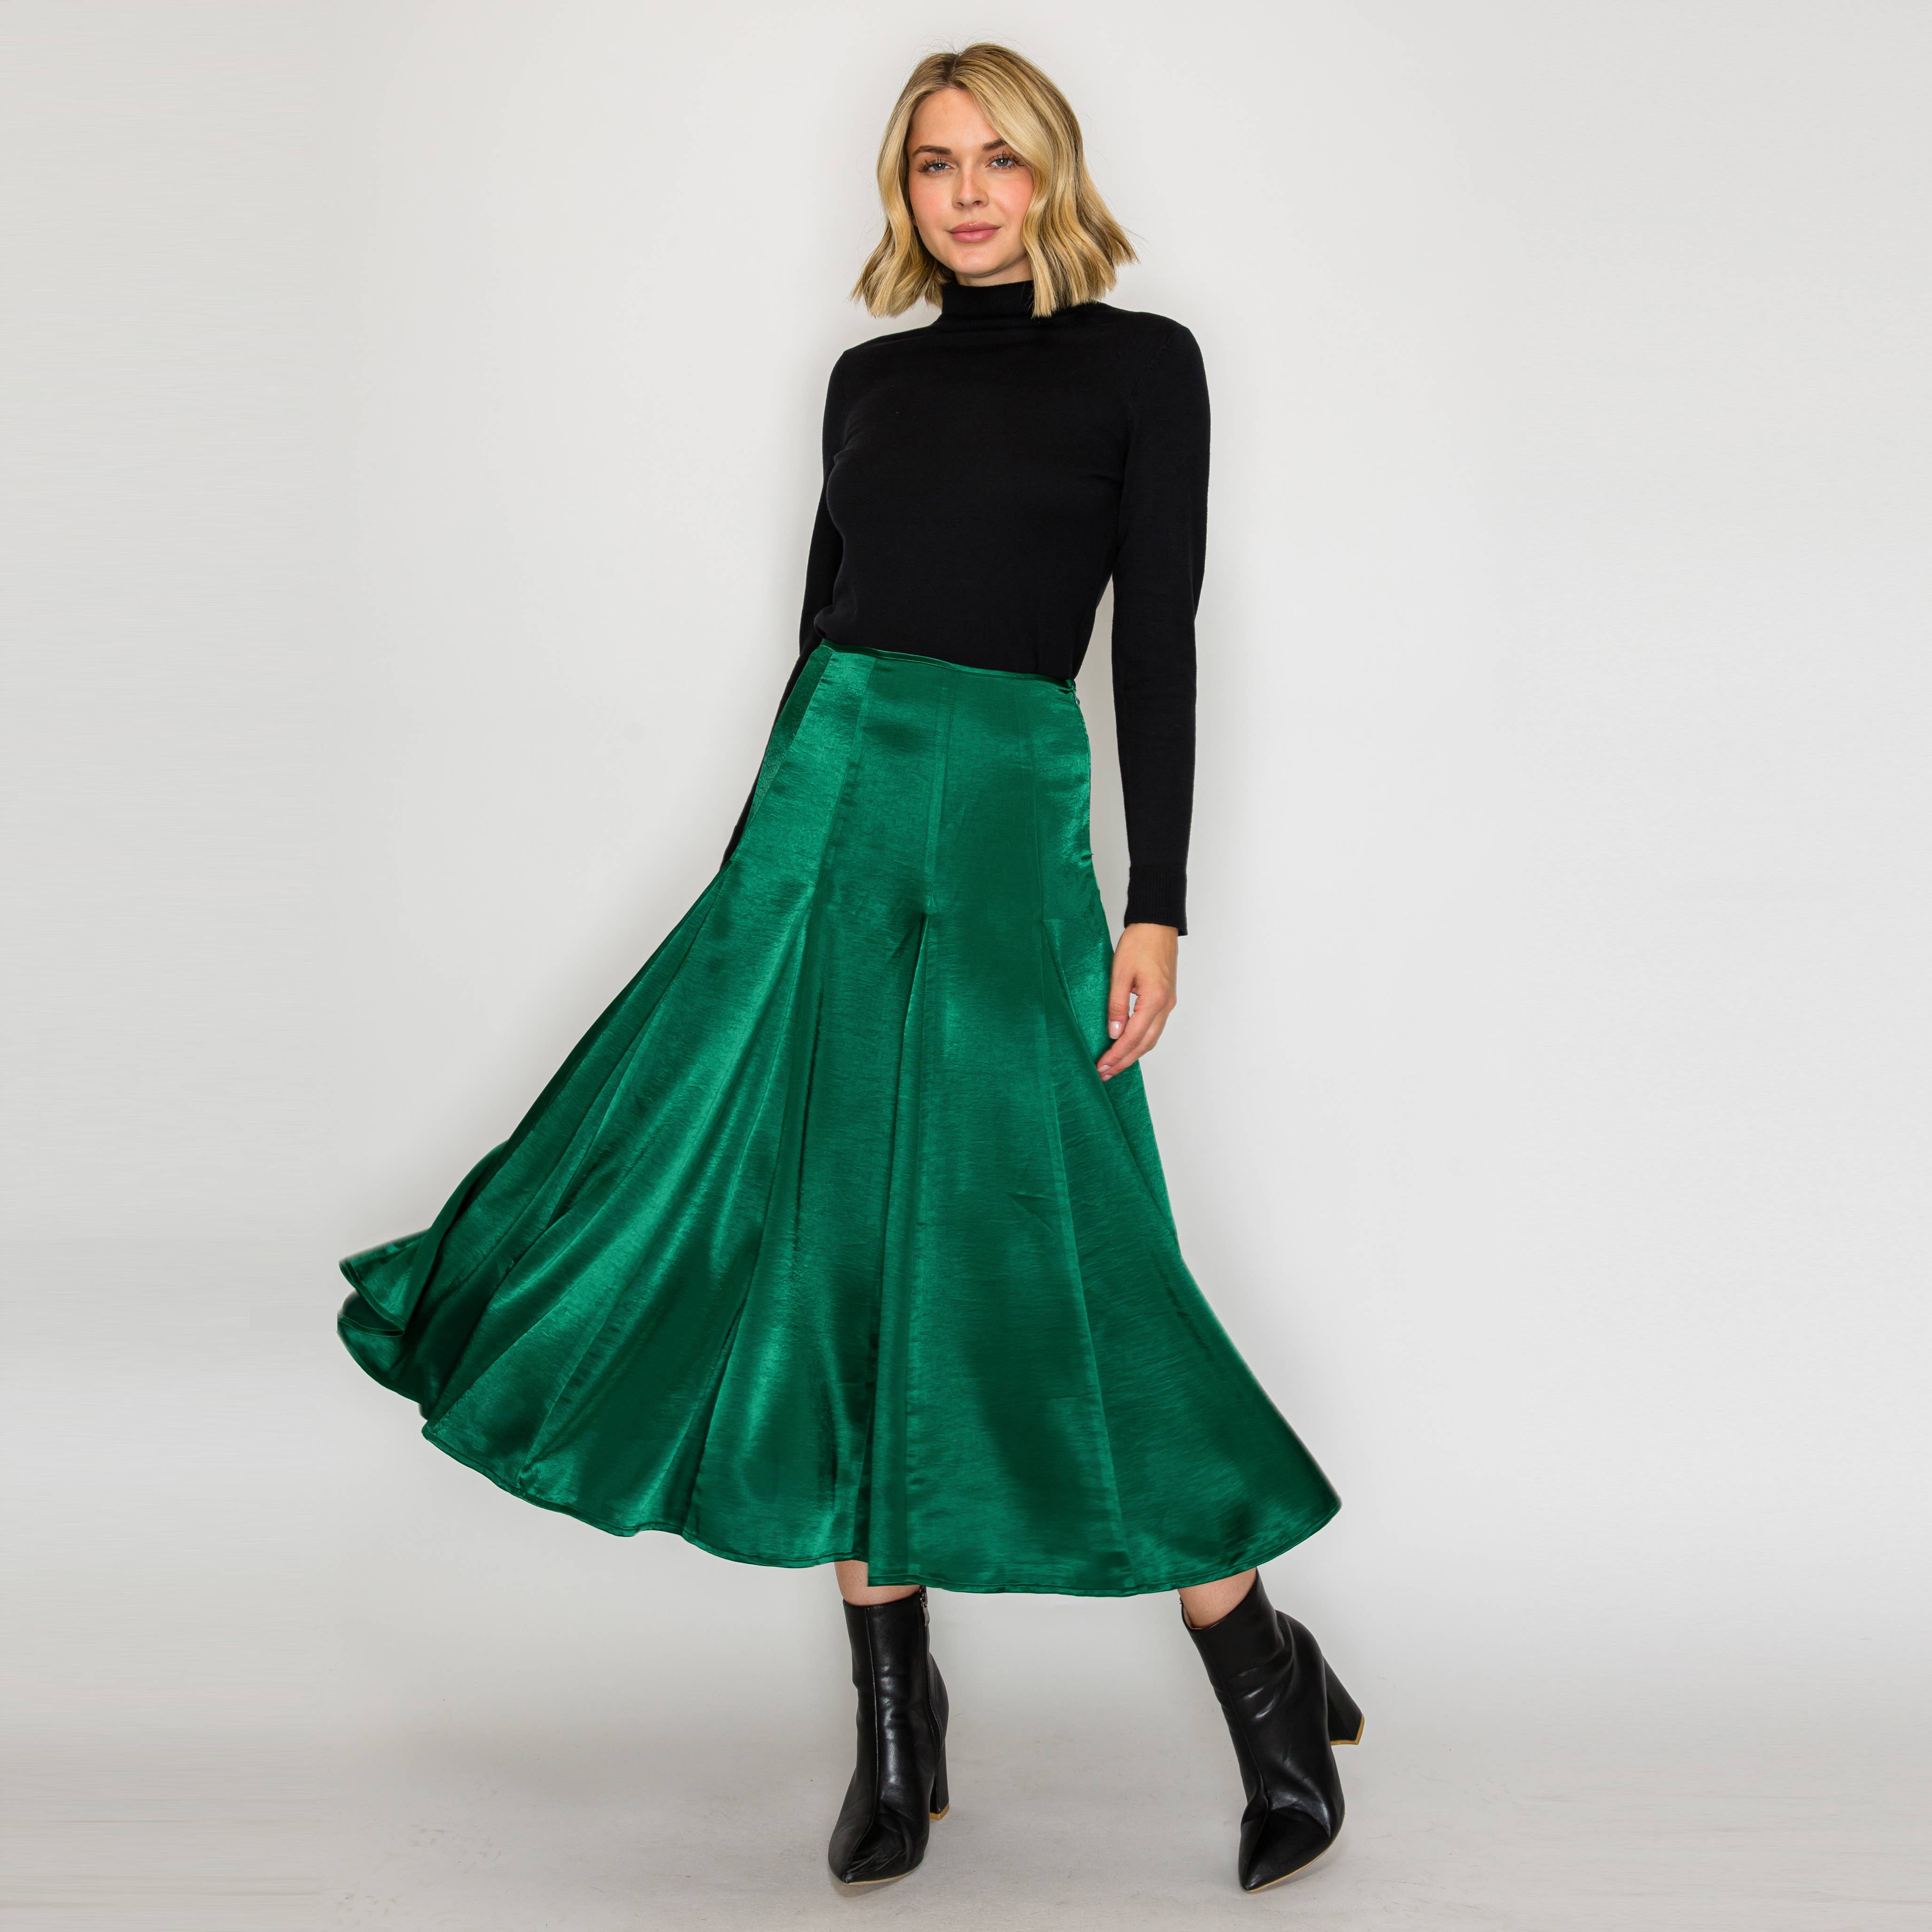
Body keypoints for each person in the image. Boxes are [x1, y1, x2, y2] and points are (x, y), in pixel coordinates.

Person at [337, 41, 1360, 1895]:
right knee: (828, 1247)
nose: (967, 194)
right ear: (901, 190)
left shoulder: (1143, 365)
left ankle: (1263, 1676)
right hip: (830, 815)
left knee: (1072, 1251)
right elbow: (823, 634)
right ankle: (899, 1726)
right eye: (933, 164)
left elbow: (1155, 645)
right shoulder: (866, 382)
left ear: (1053, 174)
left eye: (999, 160)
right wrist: (764, 873)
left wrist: (1157, 902)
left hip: (1009, 818)